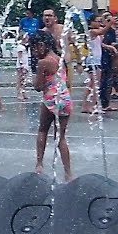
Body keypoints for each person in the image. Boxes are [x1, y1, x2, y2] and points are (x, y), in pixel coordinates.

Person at [30, 31, 72, 180]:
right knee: (61, 137)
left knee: (42, 130)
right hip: (65, 99)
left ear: (41, 45)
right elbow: (66, 82)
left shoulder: (43, 63)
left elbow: (39, 86)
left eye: (34, 48)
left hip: (51, 98)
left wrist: (34, 80)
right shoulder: (60, 59)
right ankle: (68, 173)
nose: (34, 53)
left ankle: (39, 164)